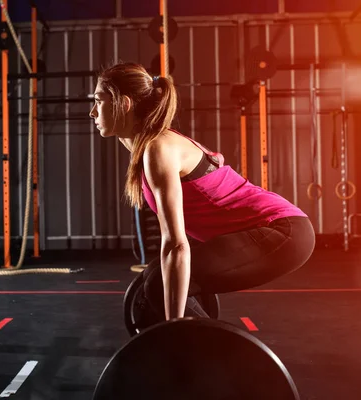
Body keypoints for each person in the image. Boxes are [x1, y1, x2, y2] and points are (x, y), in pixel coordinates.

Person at [89, 61, 315, 327]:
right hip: (279, 230)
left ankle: (223, 358)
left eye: (99, 101)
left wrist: (174, 324)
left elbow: (175, 244)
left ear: (123, 104)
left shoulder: (158, 149)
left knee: (160, 285)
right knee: (156, 280)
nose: (92, 112)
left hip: (282, 232)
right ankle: (200, 349)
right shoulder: (151, 147)